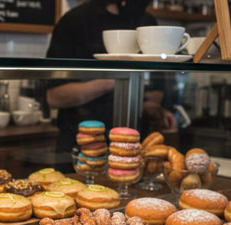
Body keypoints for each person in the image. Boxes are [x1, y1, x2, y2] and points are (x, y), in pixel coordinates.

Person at [46, 0, 177, 153]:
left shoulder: (147, 23)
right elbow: (54, 97)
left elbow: (156, 90)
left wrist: (156, 111)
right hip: (82, 147)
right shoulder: (75, 21)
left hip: (135, 147)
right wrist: (116, 79)